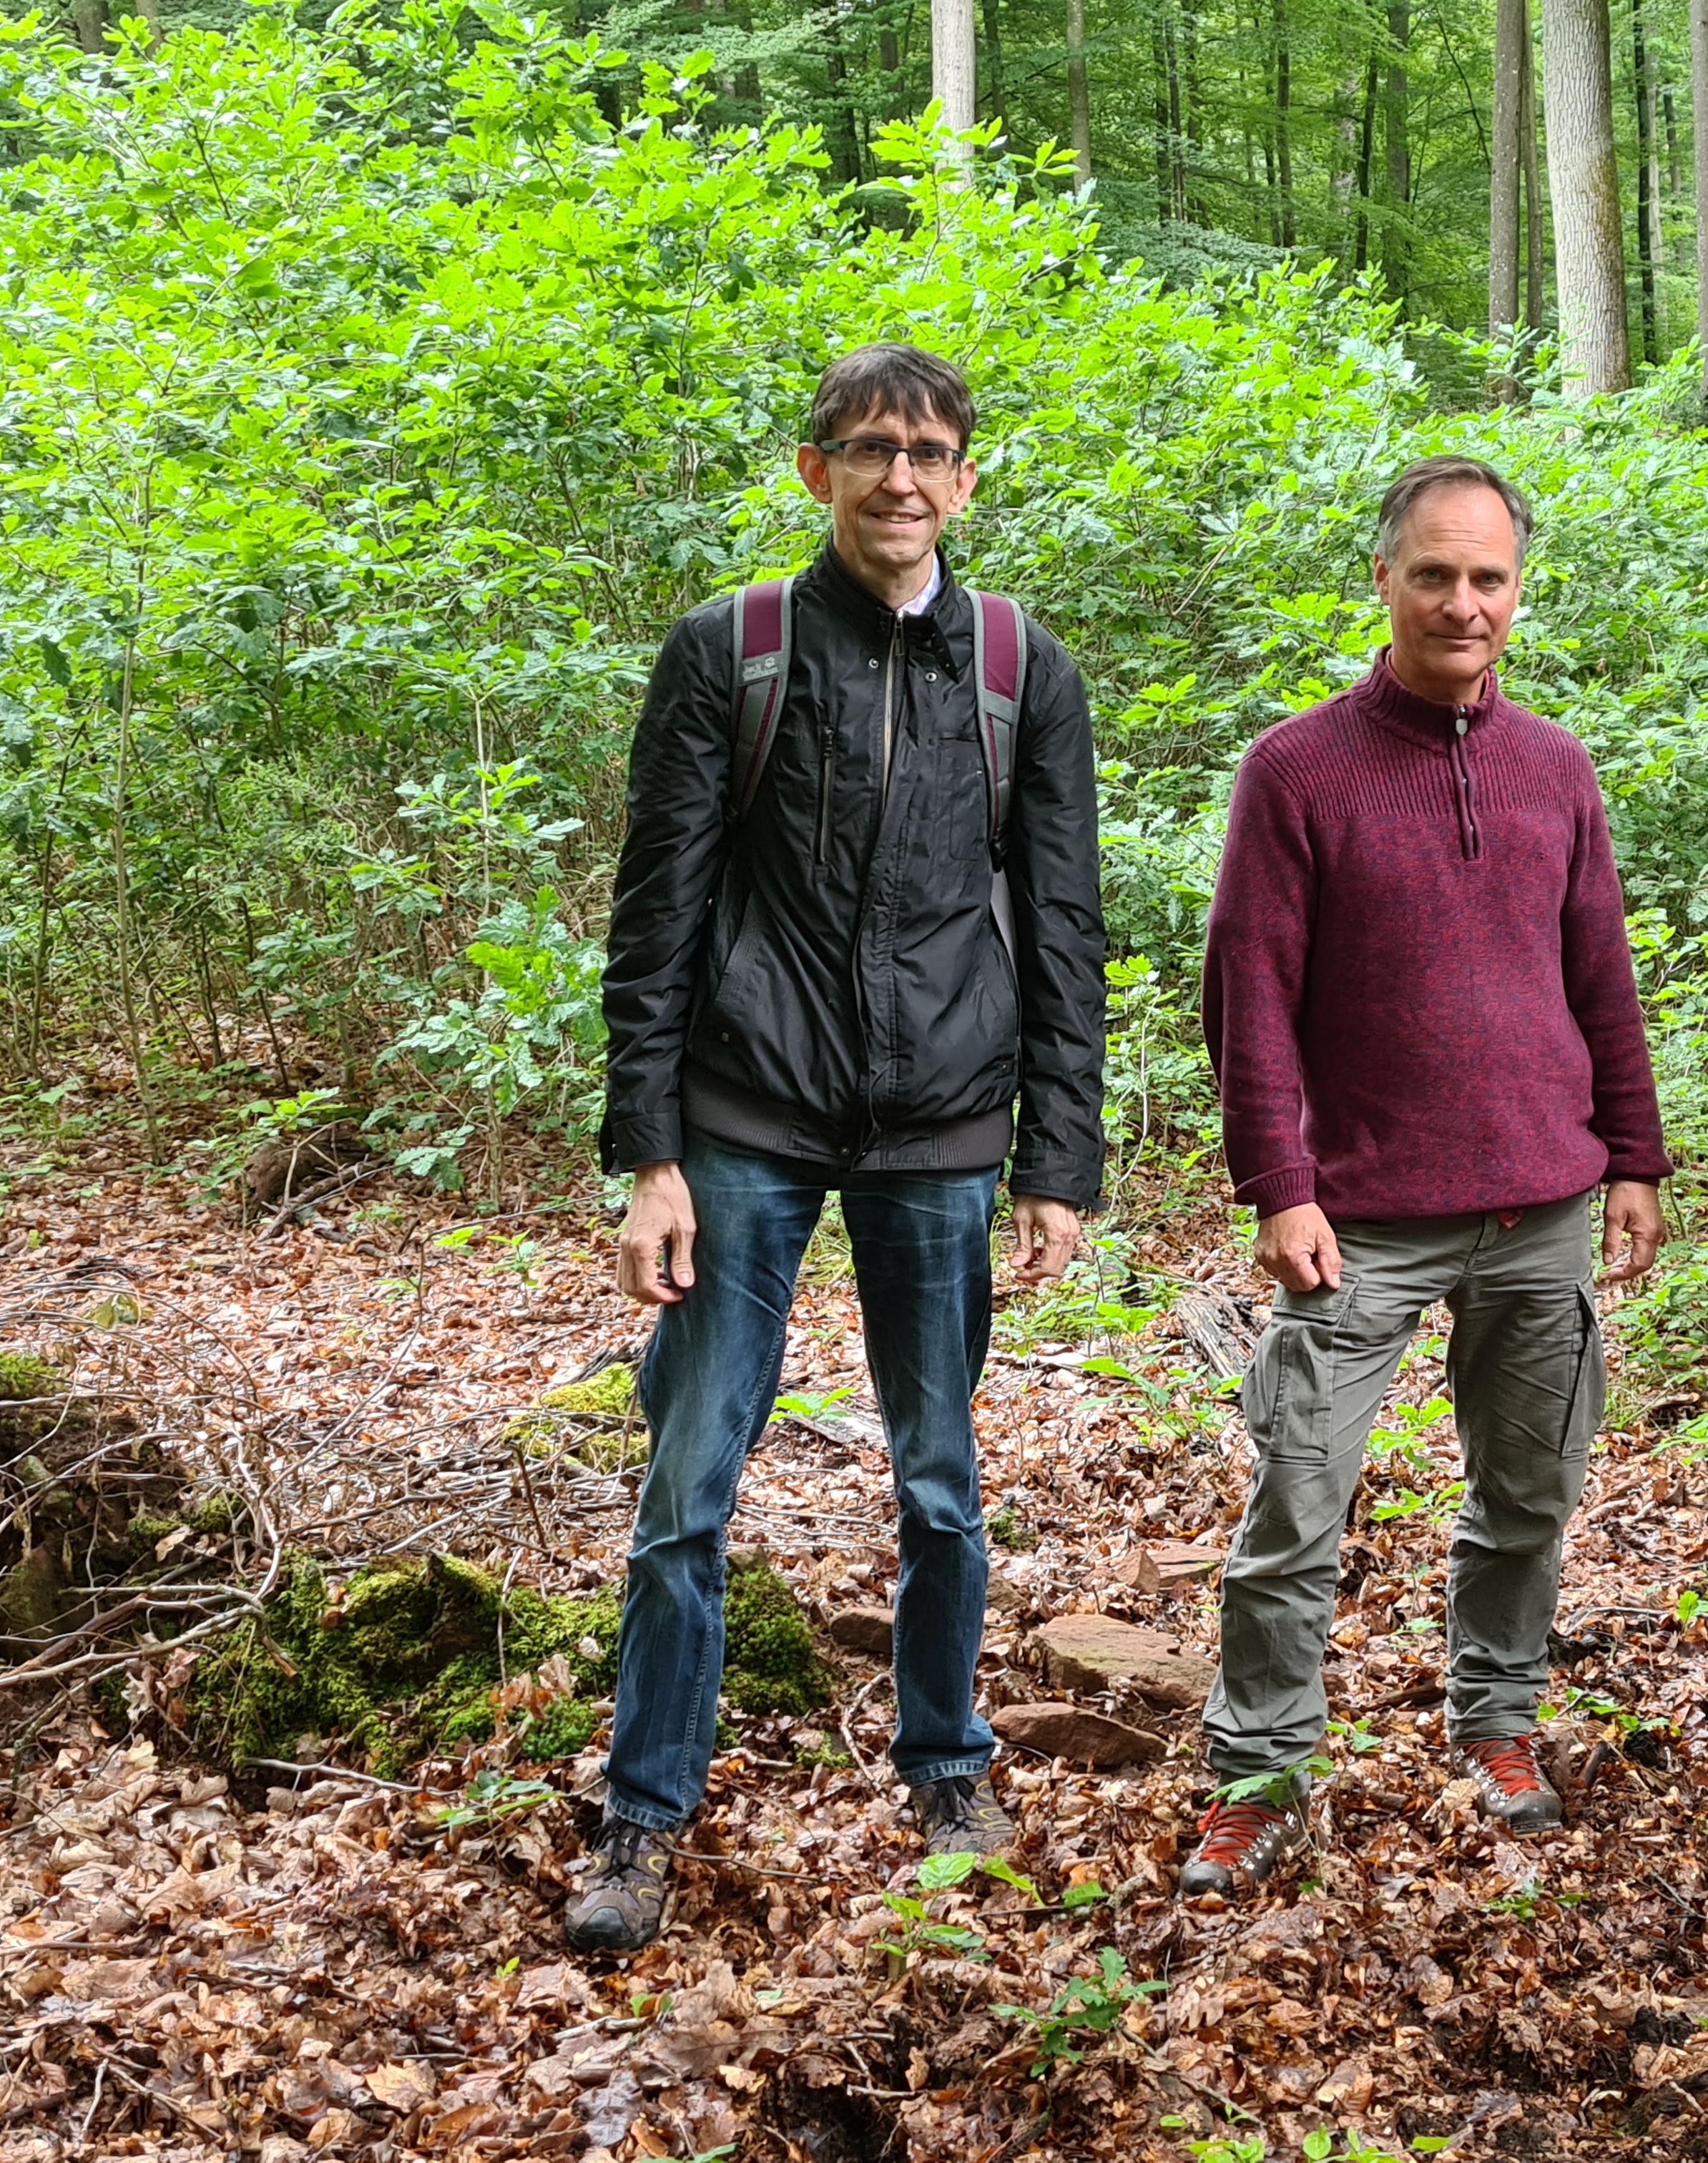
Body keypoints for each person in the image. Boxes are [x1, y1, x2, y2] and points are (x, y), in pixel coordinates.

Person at [569, 343, 1105, 1953]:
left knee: (940, 1486)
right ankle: (643, 1813)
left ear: (965, 477)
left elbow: (1067, 930)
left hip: (944, 1133)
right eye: (871, 449)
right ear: (816, 470)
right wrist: (647, 1157)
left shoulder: (1023, 671)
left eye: (931, 451)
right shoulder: (728, 652)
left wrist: (1059, 1159)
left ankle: (948, 1763)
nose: (902, 478)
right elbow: (654, 917)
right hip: (742, 1127)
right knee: (691, 1485)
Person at [1182, 455, 1672, 1898]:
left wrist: (1635, 1156)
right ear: (1384, 581)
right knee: (1299, 1506)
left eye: (1491, 578)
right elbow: (1249, 998)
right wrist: (1282, 1182)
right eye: (1437, 575)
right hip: (1360, 1221)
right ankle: (1260, 1773)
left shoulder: (1557, 767)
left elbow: (1601, 976)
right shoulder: (1297, 769)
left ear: (1518, 593)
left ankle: (1497, 1722)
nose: (1465, 603)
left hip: (1542, 1208)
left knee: (1530, 1495)